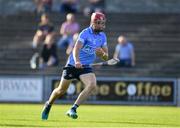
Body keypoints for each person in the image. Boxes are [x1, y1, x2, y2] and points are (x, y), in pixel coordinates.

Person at [41, 12, 108, 120]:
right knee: (60, 90)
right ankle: (48, 104)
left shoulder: (103, 36)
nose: (102, 25)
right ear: (93, 22)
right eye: (100, 23)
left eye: (103, 23)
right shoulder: (85, 33)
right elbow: (76, 49)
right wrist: (77, 61)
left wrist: (102, 55)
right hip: (73, 65)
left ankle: (73, 108)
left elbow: (106, 57)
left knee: (92, 84)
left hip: (86, 67)